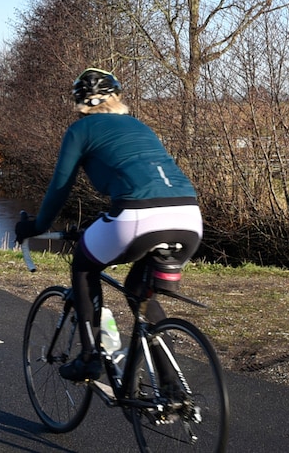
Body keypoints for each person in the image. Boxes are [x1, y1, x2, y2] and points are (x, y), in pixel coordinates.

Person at [16, 68, 202, 382]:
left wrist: (35, 226)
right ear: (117, 97)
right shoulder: (138, 126)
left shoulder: (81, 130)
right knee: (139, 291)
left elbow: (59, 190)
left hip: (138, 216)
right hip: (189, 215)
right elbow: (143, 179)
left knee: (84, 266)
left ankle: (89, 357)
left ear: (79, 103)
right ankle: (172, 387)